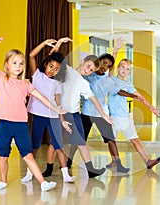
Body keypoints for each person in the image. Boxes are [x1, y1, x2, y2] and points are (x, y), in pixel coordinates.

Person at [0, 37, 63, 191]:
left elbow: (42, 98)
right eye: (14, 63)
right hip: (4, 124)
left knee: (28, 155)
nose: (18, 66)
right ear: (6, 65)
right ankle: (3, 181)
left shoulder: (26, 84)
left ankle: (43, 183)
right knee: (3, 155)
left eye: (21, 63)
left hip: (20, 125)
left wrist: (57, 109)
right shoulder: (1, 78)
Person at [41, 37, 110, 178]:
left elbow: (94, 99)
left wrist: (103, 115)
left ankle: (90, 170)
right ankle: (48, 168)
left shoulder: (84, 84)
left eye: (91, 70)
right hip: (59, 113)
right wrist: (59, 44)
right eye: (88, 65)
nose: (88, 70)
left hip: (74, 115)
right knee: (55, 143)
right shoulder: (67, 70)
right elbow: (51, 58)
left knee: (81, 143)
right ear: (83, 61)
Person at [21, 38, 75, 183]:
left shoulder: (57, 83)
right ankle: (29, 173)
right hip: (38, 116)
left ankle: (65, 175)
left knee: (58, 146)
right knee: (34, 146)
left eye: (57, 69)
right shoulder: (37, 75)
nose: (52, 71)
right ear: (45, 65)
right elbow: (32, 56)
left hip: (53, 117)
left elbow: (58, 102)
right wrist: (45, 44)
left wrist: (62, 119)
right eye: (51, 66)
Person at [81, 53, 141, 173]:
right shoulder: (88, 75)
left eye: (108, 66)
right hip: (86, 113)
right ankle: (67, 164)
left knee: (110, 139)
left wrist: (132, 95)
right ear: (99, 61)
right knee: (80, 140)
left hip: (101, 114)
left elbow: (118, 91)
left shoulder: (107, 80)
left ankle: (118, 164)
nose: (105, 67)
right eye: (104, 63)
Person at [107, 58, 160, 169]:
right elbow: (111, 65)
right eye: (122, 67)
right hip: (112, 117)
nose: (124, 70)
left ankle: (147, 161)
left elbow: (139, 96)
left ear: (129, 72)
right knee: (111, 140)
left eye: (127, 69)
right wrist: (116, 50)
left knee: (135, 139)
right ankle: (114, 161)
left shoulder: (128, 84)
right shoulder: (111, 78)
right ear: (118, 67)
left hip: (125, 117)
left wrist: (151, 107)